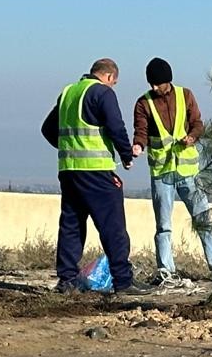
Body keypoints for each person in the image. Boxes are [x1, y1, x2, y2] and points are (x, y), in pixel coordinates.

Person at [41, 59, 152, 295]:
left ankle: (67, 281)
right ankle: (123, 281)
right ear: (110, 77)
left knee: (71, 225)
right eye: (115, 83)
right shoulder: (102, 93)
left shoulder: (68, 93)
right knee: (113, 226)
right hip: (96, 171)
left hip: (69, 170)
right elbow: (116, 126)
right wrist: (126, 155)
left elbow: (47, 129)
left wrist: (69, 147)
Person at [131, 58, 212, 286]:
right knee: (163, 225)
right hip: (162, 172)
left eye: (157, 84)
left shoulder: (186, 95)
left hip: (188, 171)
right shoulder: (143, 103)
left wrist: (192, 137)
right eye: (151, 84)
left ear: (167, 81)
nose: (154, 88)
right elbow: (141, 131)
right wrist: (138, 145)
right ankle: (166, 271)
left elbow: (198, 123)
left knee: (202, 218)